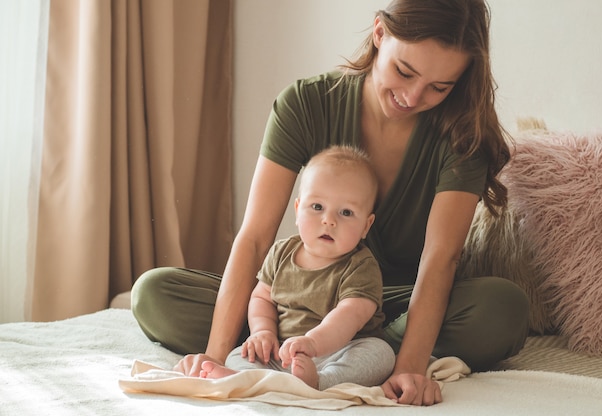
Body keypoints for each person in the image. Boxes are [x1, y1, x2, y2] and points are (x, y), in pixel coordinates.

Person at [131, 0, 530, 406]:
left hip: (392, 306)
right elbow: (254, 237)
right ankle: (280, 342)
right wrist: (213, 359)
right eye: (404, 72)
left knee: (502, 310)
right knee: (155, 294)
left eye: (439, 87)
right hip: (299, 294)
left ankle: (365, 349)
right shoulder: (304, 105)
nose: (412, 96)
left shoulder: (463, 137)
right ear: (379, 34)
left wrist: (408, 366)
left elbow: (439, 260)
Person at [198, 146, 395, 390]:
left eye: (346, 212)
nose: (329, 220)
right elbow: (262, 297)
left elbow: (350, 315)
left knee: (381, 354)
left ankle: (320, 382)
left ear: (366, 225)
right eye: (317, 207)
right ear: (297, 210)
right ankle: (257, 380)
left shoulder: (361, 265)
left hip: (339, 351)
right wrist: (262, 332)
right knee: (239, 355)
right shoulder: (282, 253)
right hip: (283, 351)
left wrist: (312, 343)